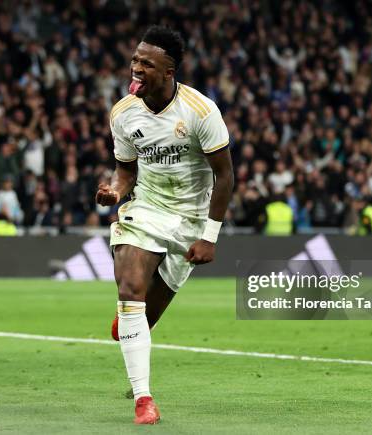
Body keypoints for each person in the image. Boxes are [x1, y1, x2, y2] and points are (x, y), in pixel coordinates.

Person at [95, 26, 233, 425]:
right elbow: (126, 170)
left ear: (169, 70)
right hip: (147, 208)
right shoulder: (123, 113)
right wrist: (115, 192)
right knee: (130, 288)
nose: (135, 68)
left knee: (142, 319)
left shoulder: (201, 111)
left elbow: (224, 176)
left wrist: (209, 237)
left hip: (190, 218)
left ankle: (132, 321)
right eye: (135, 59)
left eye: (146, 64)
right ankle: (144, 400)